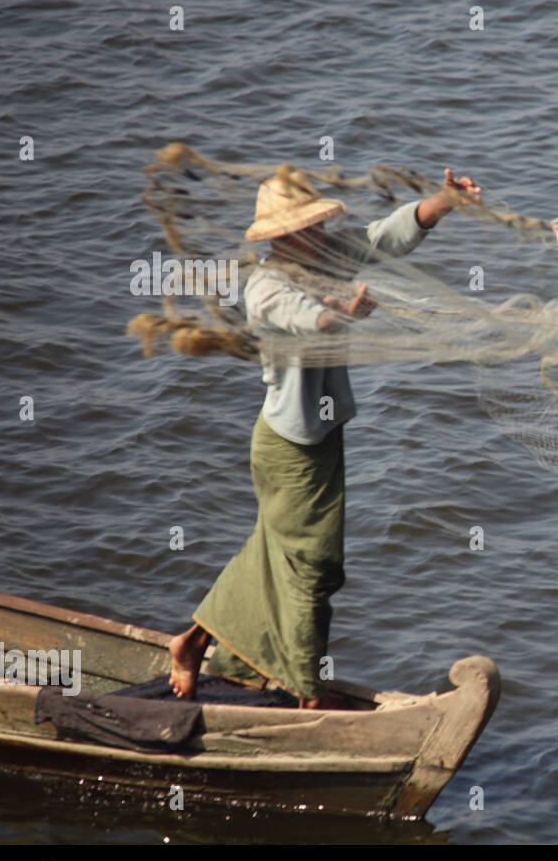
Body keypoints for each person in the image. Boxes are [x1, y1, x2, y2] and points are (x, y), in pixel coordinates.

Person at [168, 163, 481, 709]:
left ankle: (198, 644)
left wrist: (443, 202)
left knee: (275, 552)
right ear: (282, 238)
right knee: (312, 568)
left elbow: (384, 238)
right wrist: (345, 313)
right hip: (289, 449)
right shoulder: (266, 286)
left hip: (320, 437)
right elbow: (306, 319)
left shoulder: (327, 255)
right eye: (306, 230)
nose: (318, 236)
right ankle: (308, 693)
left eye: (317, 226)